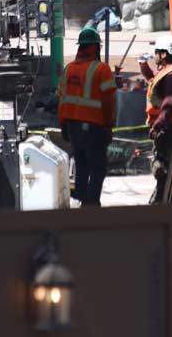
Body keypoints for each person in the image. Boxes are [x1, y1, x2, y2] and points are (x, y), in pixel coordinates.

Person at [58, 27, 117, 207]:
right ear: (95, 47)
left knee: (81, 165)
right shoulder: (102, 69)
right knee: (98, 168)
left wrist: (63, 126)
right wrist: (108, 125)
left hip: (73, 127)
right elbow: (108, 102)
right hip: (95, 128)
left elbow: (62, 101)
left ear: (80, 48)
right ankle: (91, 205)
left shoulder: (68, 70)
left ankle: (82, 202)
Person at [139, 34, 172, 203]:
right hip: (165, 125)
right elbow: (157, 85)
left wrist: (158, 124)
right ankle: (160, 198)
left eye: (157, 51)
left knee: (162, 165)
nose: (154, 54)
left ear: (164, 54)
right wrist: (146, 71)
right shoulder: (167, 71)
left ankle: (160, 201)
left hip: (167, 127)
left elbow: (169, 100)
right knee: (161, 163)